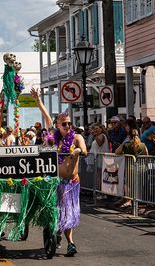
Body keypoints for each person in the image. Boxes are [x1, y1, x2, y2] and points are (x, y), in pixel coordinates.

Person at [31, 87, 87, 257]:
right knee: (55, 210)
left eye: (69, 123)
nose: (68, 126)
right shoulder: (52, 138)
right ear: (57, 125)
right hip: (55, 181)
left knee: (68, 212)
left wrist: (77, 151)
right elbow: (46, 116)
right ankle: (56, 233)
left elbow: (84, 150)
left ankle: (71, 243)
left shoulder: (77, 137)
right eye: (64, 124)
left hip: (71, 182)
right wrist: (38, 100)